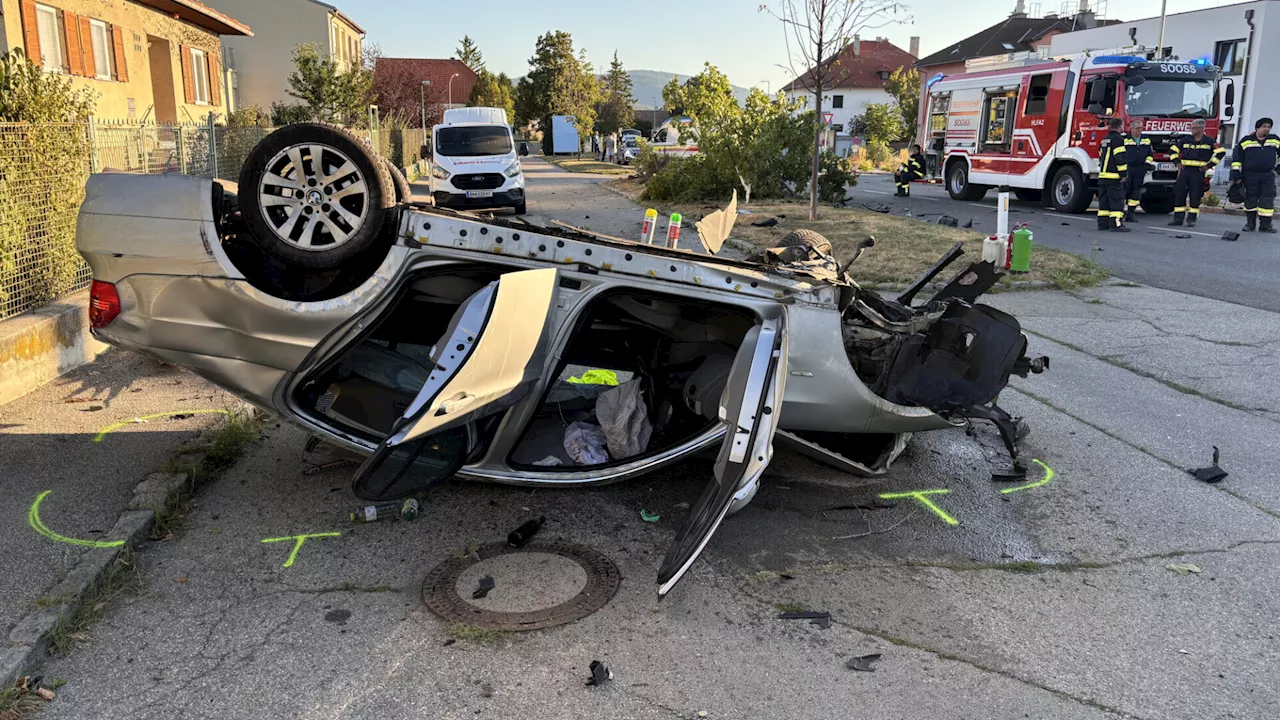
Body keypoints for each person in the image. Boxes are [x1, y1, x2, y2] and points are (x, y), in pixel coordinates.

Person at [1168, 119, 1225, 227]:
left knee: (1195, 196)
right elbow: (1172, 150)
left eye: (1194, 128)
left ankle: (1191, 219)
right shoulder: (1185, 140)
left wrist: (1209, 166)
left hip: (1198, 172)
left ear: (1201, 128)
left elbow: (1221, 152)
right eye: (1191, 127)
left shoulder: (1209, 141)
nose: (1192, 130)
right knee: (1179, 195)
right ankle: (1178, 219)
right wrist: (1177, 162)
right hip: (1185, 172)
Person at [1230, 117, 1280, 233]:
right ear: (1257, 128)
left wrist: (1278, 170)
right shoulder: (1246, 141)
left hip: (1267, 175)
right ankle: (1250, 224)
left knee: (1267, 200)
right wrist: (1235, 174)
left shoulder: (1275, 140)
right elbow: (1237, 159)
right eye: (1264, 127)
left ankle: (1266, 225)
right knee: (1250, 199)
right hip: (1250, 175)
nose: (1266, 129)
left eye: (1269, 127)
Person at [1097, 117, 1130, 233]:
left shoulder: (1105, 139)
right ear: (1120, 126)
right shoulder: (1118, 139)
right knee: (1117, 201)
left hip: (1103, 176)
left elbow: (1100, 154)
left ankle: (1103, 224)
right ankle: (1116, 224)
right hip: (1113, 177)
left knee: (1104, 202)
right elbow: (1119, 158)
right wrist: (1123, 174)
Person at [1122, 119, 1155, 222]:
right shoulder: (1124, 139)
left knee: (1136, 192)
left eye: (1141, 128)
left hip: (1140, 169)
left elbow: (1150, 154)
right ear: (1131, 128)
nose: (1139, 131)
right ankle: (1118, 213)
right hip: (1128, 168)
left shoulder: (1146, 139)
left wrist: (1147, 164)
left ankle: (1131, 214)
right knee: (1123, 191)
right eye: (1137, 128)